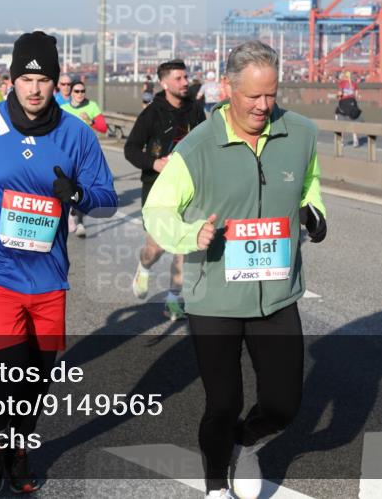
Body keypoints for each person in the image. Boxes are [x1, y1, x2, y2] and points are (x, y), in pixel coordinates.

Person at [0, 31, 117, 494]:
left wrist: (77, 195)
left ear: (55, 82)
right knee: (8, 370)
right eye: (26, 78)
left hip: (48, 272)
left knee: (37, 376)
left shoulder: (75, 134)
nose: (34, 88)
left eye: (44, 79)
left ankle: (17, 446)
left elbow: (108, 199)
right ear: (11, 80)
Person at [142, 40, 326, 499]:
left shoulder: (300, 133)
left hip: (277, 292)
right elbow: (158, 208)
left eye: (272, 95)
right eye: (253, 97)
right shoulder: (198, 146)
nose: (264, 106)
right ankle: (215, 486)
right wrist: (190, 236)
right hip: (217, 295)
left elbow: (308, 183)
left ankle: (248, 442)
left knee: (284, 405)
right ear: (228, 89)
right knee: (223, 403)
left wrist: (313, 210)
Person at [124, 59, 206, 321]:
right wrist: (154, 162)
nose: (185, 82)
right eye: (179, 78)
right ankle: (144, 266)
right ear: (164, 83)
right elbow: (131, 149)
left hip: (189, 188)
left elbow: (205, 142)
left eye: (186, 77)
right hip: (157, 189)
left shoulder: (194, 110)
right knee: (156, 247)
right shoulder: (151, 114)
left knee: (184, 244)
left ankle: (173, 299)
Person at [59, 79, 109, 238]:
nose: (80, 94)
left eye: (82, 91)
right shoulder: (63, 109)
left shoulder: (92, 106)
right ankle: (69, 213)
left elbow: (103, 128)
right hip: (68, 154)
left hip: (87, 154)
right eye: (76, 91)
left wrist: (91, 121)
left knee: (84, 187)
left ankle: (79, 221)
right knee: (68, 185)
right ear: (71, 93)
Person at [334, 70, 362, 147]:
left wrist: (337, 96)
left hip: (344, 104)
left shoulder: (341, 83)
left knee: (339, 120)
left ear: (344, 76)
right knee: (353, 122)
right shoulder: (354, 84)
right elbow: (357, 96)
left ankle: (341, 141)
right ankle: (356, 141)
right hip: (353, 103)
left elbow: (340, 94)